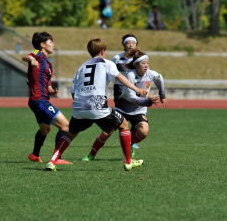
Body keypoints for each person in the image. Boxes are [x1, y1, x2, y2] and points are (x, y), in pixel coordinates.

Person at [45, 38, 148, 171]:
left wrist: (81, 106)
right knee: (124, 125)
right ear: (102, 51)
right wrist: (136, 89)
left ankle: (52, 160)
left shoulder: (81, 67)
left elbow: (73, 93)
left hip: (79, 107)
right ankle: (128, 162)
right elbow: (120, 77)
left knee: (71, 133)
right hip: (97, 105)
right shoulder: (107, 63)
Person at [82, 49, 167, 160]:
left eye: (147, 63)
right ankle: (91, 154)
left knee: (144, 131)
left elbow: (159, 78)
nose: (146, 65)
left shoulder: (150, 74)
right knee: (107, 132)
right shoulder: (131, 75)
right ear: (136, 65)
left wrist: (163, 95)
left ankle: (130, 144)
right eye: (143, 63)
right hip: (122, 109)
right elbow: (130, 97)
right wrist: (146, 102)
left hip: (138, 111)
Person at [82, 34, 139, 161]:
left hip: (136, 94)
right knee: (111, 128)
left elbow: (145, 74)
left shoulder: (140, 58)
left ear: (136, 45)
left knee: (139, 128)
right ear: (124, 45)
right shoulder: (116, 59)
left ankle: (130, 150)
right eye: (128, 42)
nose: (130, 44)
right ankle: (92, 153)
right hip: (121, 93)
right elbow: (108, 72)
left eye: (133, 43)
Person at [22, 32, 71, 165]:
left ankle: (34, 155)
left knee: (45, 129)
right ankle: (57, 158)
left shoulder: (48, 65)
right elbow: (25, 57)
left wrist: (52, 91)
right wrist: (31, 60)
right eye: (51, 42)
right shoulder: (37, 54)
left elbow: (47, 85)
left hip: (40, 100)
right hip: (39, 100)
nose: (53, 45)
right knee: (65, 126)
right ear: (43, 45)